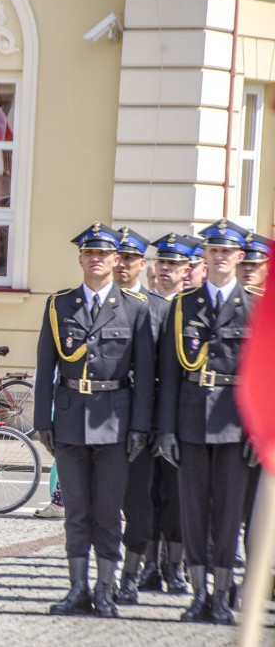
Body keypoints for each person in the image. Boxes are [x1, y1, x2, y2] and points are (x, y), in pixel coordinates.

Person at [33, 222, 154, 619]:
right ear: (81, 258)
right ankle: (77, 589)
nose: (96, 259)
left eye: (104, 253)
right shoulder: (59, 305)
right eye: (90, 253)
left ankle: (105, 589)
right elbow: (45, 367)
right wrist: (42, 421)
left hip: (115, 423)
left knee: (107, 511)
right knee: (76, 512)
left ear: (116, 259)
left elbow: (144, 373)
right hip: (69, 420)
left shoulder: (135, 308)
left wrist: (139, 427)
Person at [156, 218, 260, 625]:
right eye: (213, 250)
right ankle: (198, 595)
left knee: (230, 515)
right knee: (193, 512)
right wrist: (166, 428)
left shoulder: (255, 306)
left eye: (227, 251)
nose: (219, 257)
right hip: (191, 421)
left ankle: (222, 598)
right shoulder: (184, 305)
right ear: (205, 256)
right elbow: (168, 373)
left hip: (236, 424)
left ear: (238, 257)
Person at [111, 227, 172, 604]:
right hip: (100, 418)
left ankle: (132, 575)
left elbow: (168, 376)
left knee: (140, 502)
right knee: (100, 505)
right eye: (119, 256)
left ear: (141, 264)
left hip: (142, 422)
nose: (123, 264)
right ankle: (96, 576)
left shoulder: (160, 308)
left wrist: (160, 426)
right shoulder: (90, 303)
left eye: (131, 257)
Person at [137, 233, 197, 596]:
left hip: (181, 415)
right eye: (162, 263)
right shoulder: (143, 306)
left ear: (185, 271)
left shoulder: (190, 307)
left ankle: (175, 568)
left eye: (173, 265)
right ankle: (149, 564)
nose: (166, 270)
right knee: (146, 496)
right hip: (149, 412)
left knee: (175, 496)